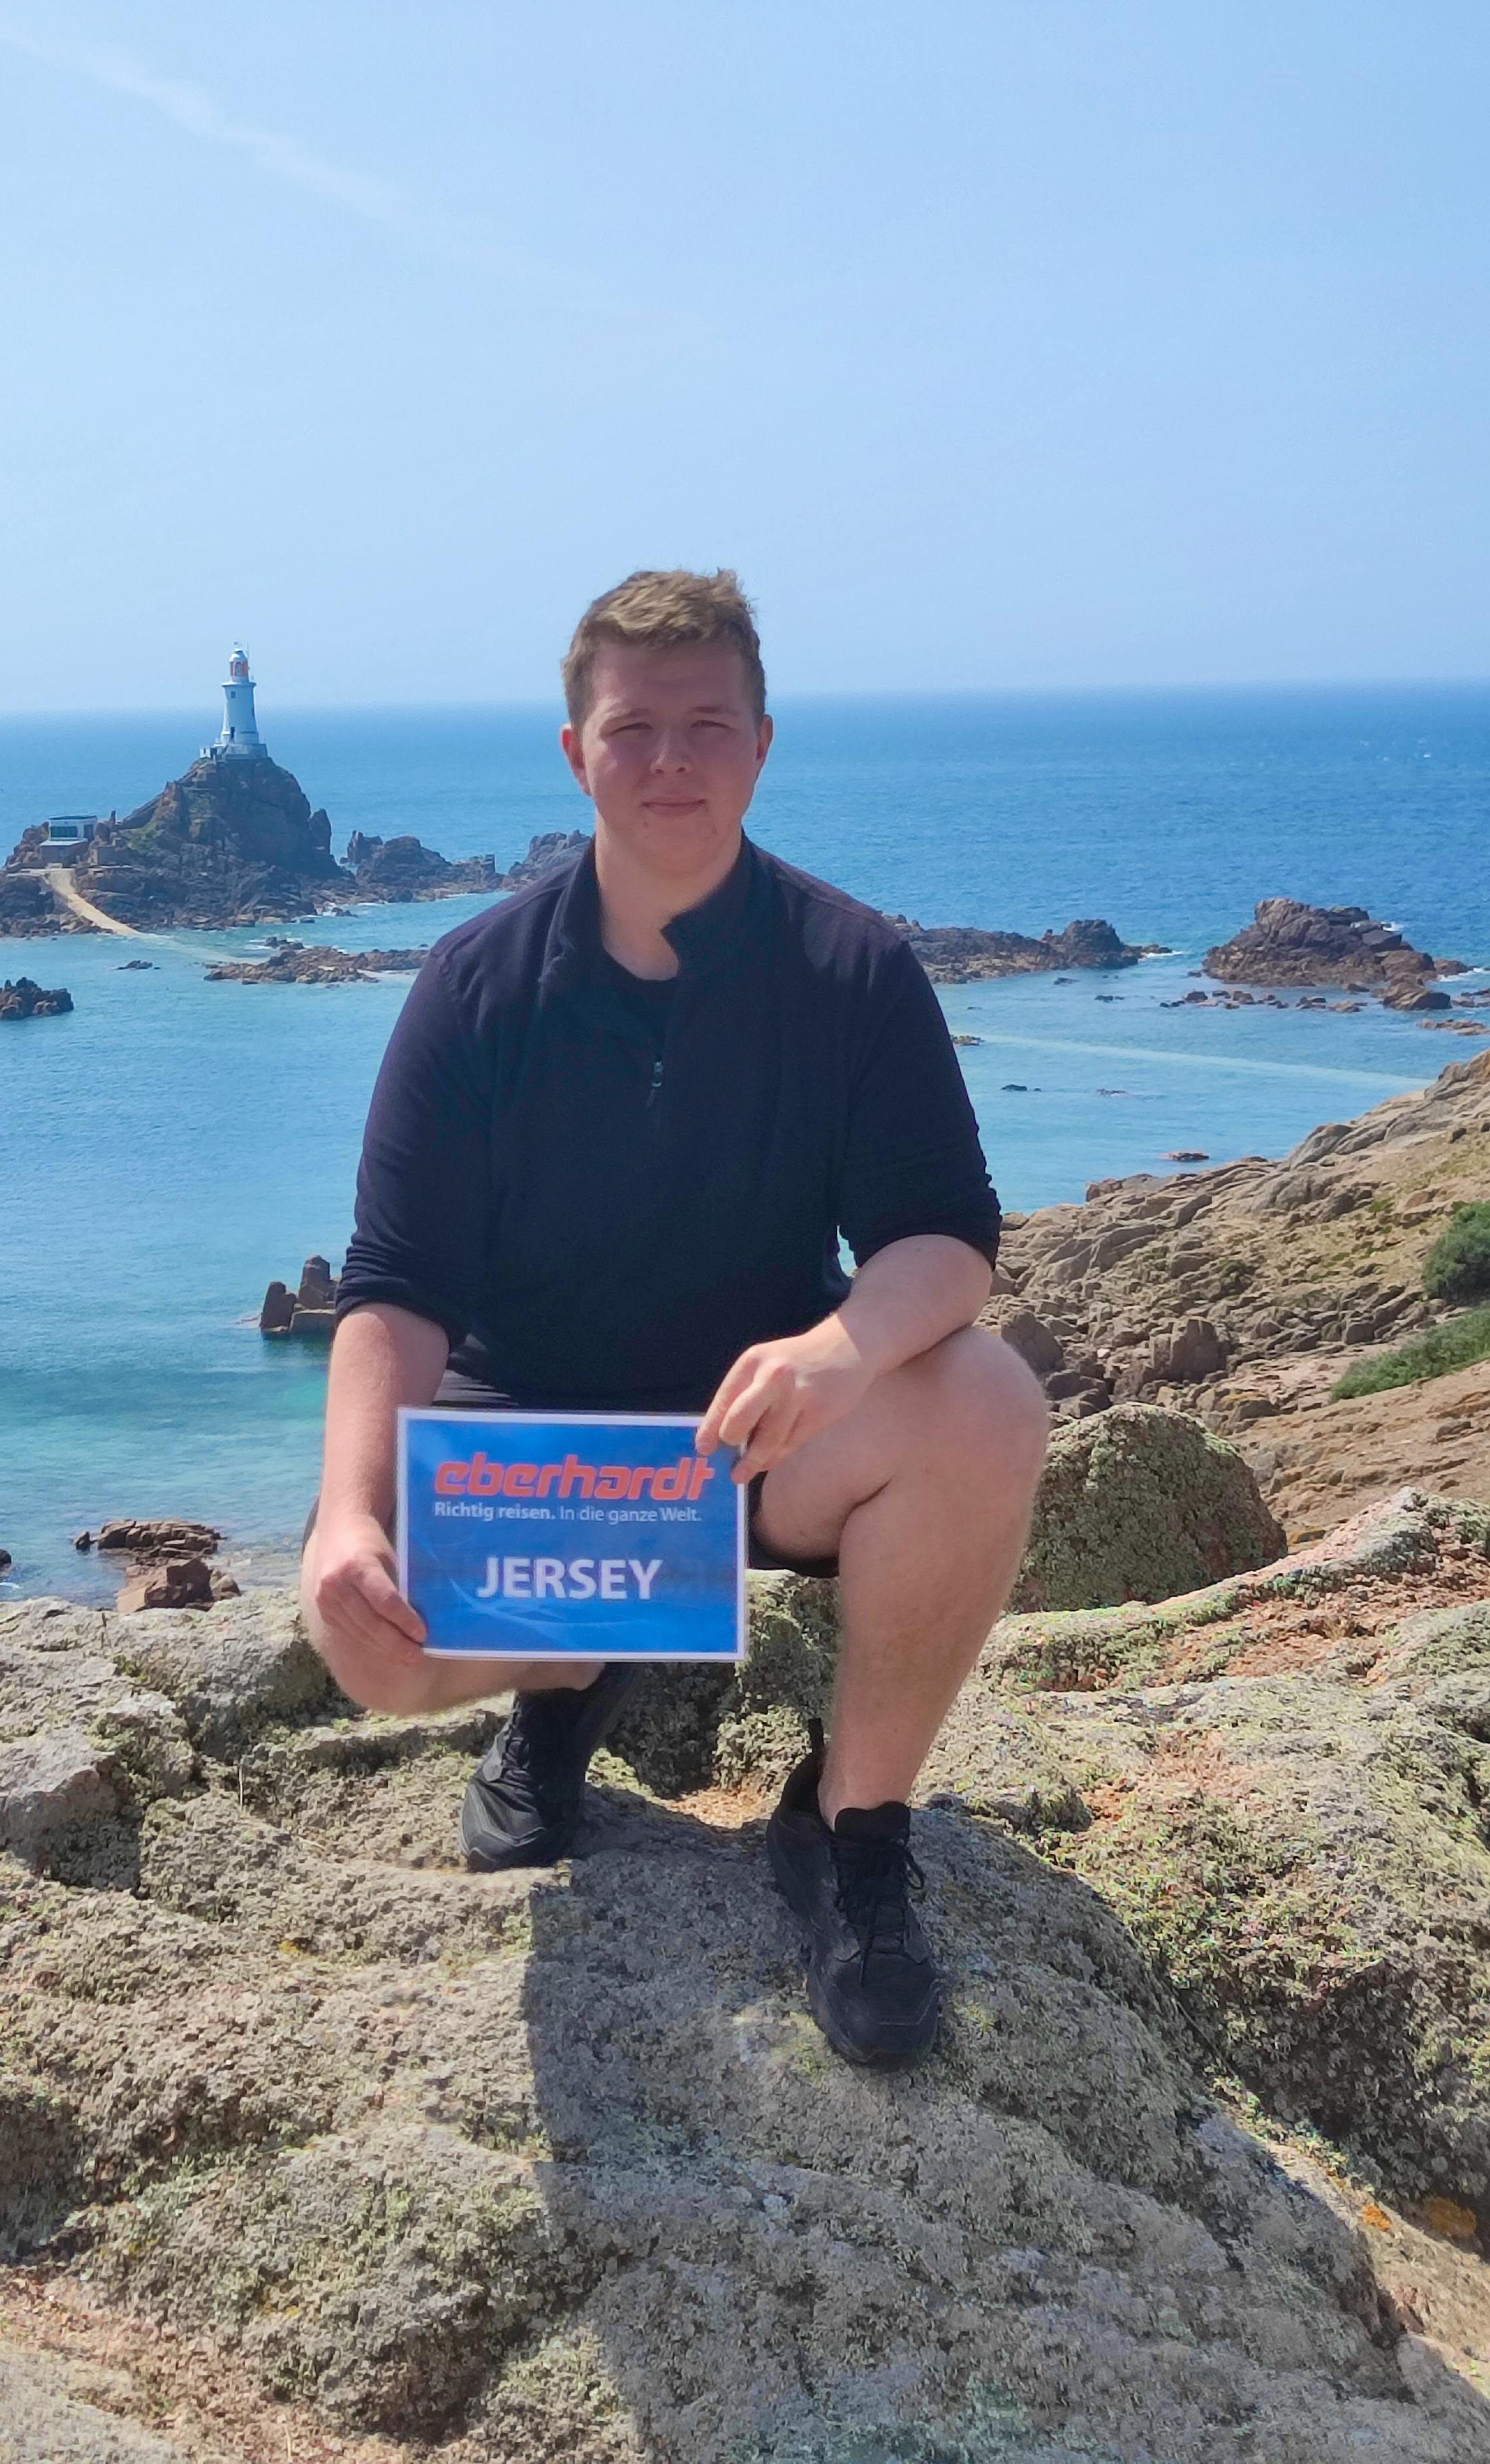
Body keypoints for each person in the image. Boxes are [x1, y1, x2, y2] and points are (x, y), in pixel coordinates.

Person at [299, 567, 1046, 2067]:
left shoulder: (852, 968)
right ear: (573, 751)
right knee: (367, 1657)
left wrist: (838, 1349)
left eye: (707, 725)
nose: (668, 763)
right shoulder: (471, 985)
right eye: (632, 729)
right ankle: (571, 1677)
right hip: (543, 1469)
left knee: (986, 1400)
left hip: (745, 1445)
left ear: (761, 745)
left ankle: (848, 1830)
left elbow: (944, 1243)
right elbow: (393, 1288)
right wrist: (341, 1514)